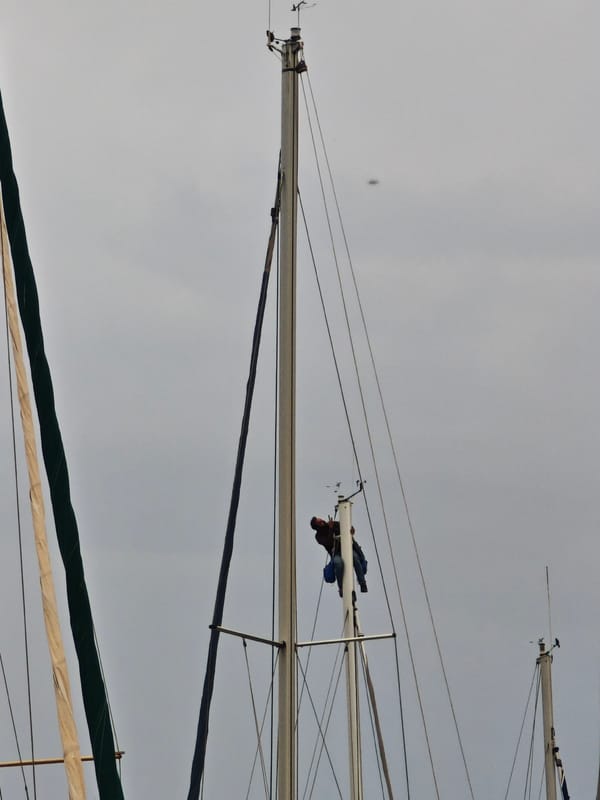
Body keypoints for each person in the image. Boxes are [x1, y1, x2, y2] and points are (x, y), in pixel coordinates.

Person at [310, 516, 368, 595]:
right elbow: (329, 542)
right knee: (338, 563)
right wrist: (330, 529)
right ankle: (341, 588)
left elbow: (346, 527)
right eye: (319, 523)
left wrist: (351, 530)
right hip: (336, 553)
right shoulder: (318, 536)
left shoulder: (333, 524)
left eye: (321, 520)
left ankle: (362, 583)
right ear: (317, 527)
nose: (322, 522)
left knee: (354, 557)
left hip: (348, 548)